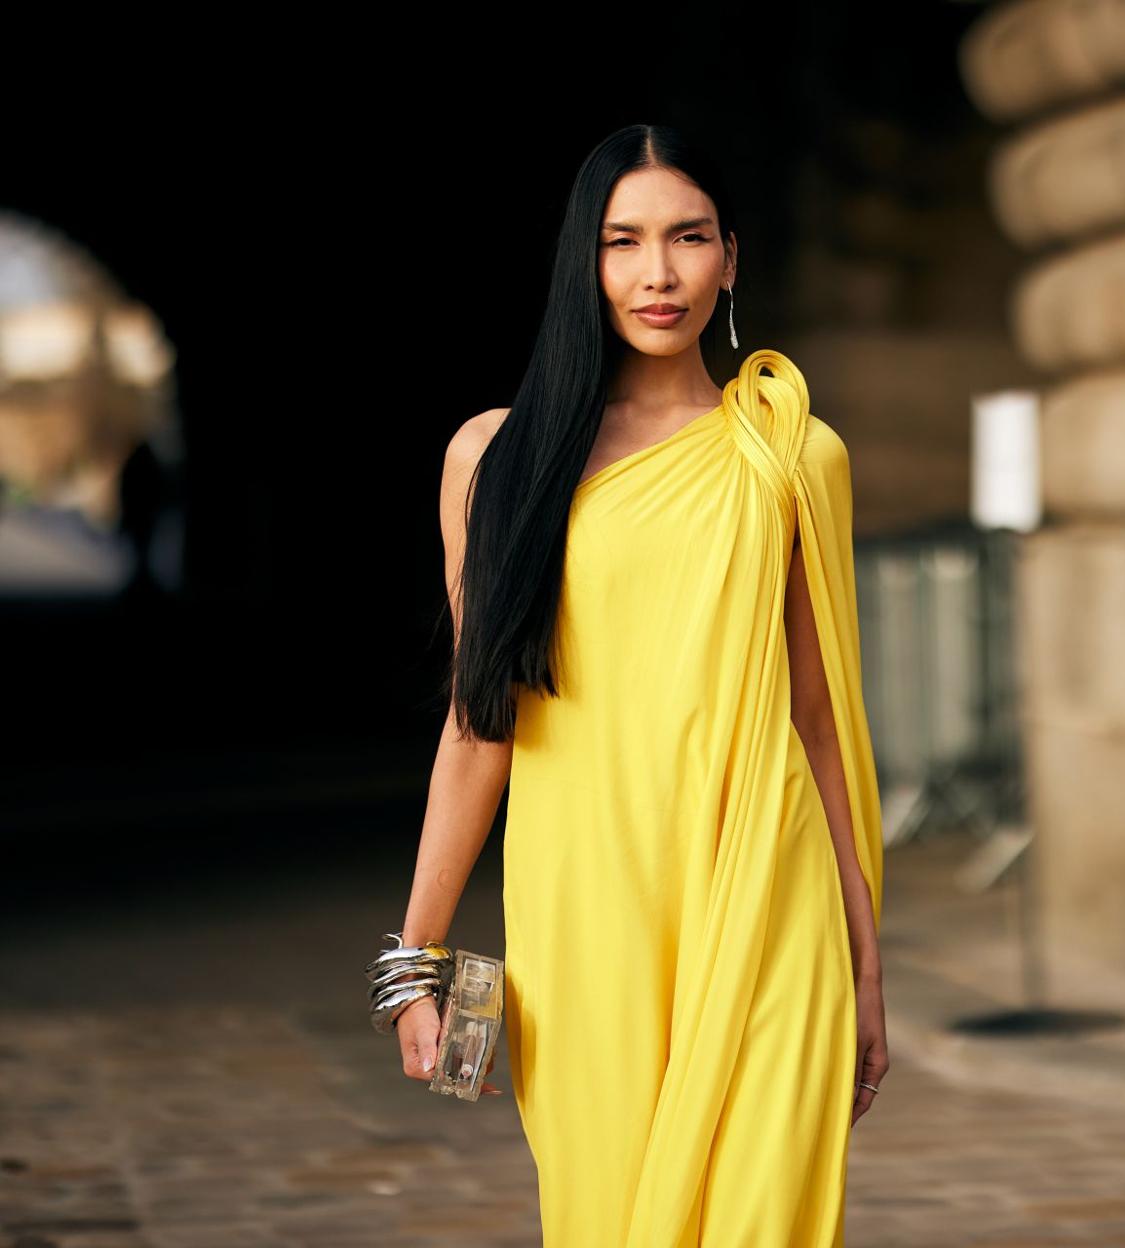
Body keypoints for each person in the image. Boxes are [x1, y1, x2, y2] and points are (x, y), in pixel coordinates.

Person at [395, 123, 887, 1247]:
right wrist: (410, 960)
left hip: (773, 905)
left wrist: (865, 965)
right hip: (588, 923)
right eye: (623, 242)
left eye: (687, 238)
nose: (657, 273)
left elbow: (820, 723)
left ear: (730, 258)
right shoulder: (498, 458)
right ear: (585, 261)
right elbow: (479, 731)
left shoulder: (793, 456)